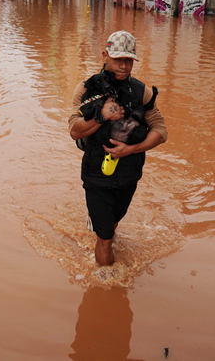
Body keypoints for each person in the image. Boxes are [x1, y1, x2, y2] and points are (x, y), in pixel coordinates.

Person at [68, 31, 167, 266]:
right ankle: (105, 283)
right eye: (117, 60)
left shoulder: (142, 92)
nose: (123, 66)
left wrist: (131, 150)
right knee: (105, 238)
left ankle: (106, 234)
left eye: (128, 60)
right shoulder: (85, 90)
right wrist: (101, 116)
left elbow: (161, 131)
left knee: (113, 225)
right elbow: (75, 131)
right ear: (105, 56)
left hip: (128, 175)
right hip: (96, 176)